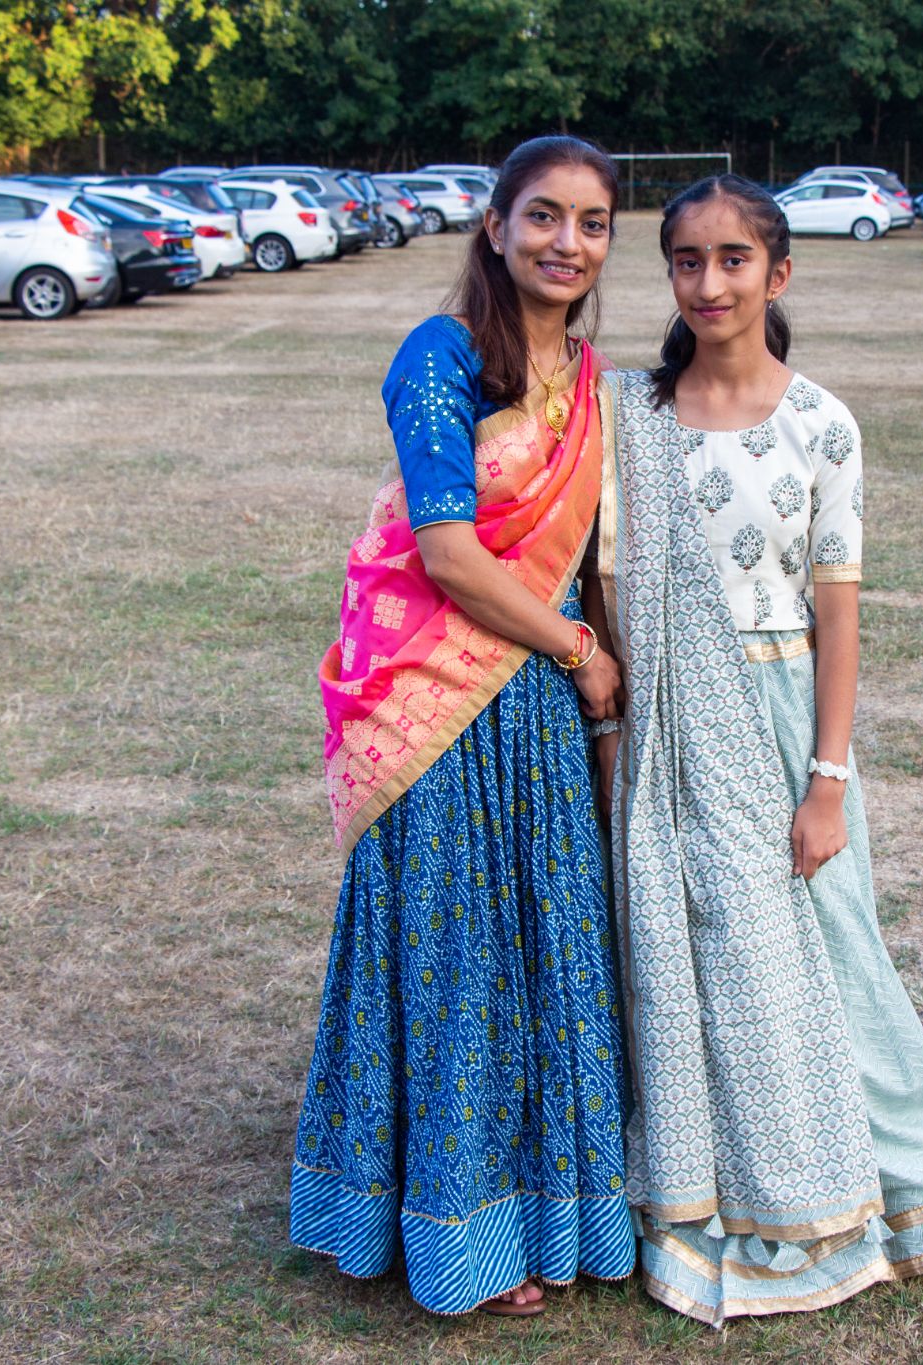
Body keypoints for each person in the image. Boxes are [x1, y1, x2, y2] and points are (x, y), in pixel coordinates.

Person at [595, 174, 923, 1324]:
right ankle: (700, 1192)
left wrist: (827, 781)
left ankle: (881, 1192)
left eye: (730, 260)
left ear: (777, 272)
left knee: (828, 949)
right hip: (661, 727)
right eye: (684, 261)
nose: (706, 283)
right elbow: (603, 582)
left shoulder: (820, 424)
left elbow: (838, 616)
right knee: (685, 961)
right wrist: (616, 729)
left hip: (777, 719)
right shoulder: (629, 416)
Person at [287, 136, 635, 1318]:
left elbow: (583, 548)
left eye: (590, 224)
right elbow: (446, 555)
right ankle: (449, 1229)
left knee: (546, 954)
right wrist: (580, 649)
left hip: (533, 708)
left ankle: (545, 1212)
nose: (565, 244)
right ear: (494, 227)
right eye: (542, 217)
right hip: (439, 700)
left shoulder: (587, 380)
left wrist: (587, 655)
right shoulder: (441, 358)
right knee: (453, 957)